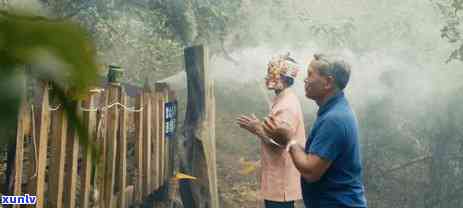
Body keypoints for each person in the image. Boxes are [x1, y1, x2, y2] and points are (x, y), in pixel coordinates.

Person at [262, 54, 367, 208]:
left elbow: (311, 172)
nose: (305, 80)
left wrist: (289, 140)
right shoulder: (333, 112)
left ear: (328, 82)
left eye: (310, 74)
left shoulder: (335, 119)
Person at [236, 53, 306, 208]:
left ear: (287, 79)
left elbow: (282, 144)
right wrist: (259, 128)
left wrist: (257, 130)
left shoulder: (286, 106)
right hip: (279, 179)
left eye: (274, 74)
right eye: (268, 73)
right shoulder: (283, 99)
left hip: (281, 183)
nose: (268, 77)